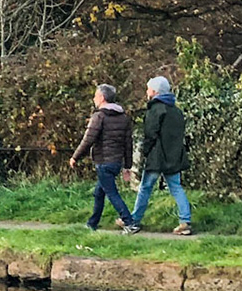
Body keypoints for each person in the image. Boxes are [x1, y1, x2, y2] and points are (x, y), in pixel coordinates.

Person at [67, 83, 136, 232]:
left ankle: (129, 222)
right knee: (99, 192)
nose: (94, 99)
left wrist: (75, 157)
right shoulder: (124, 118)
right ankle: (92, 223)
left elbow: (88, 140)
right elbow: (128, 144)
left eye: (95, 96)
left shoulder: (99, 117)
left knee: (112, 193)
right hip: (116, 162)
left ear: (102, 97)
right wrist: (127, 166)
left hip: (103, 161)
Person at [131, 75, 192, 236]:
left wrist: (145, 152)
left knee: (145, 188)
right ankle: (185, 221)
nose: (147, 92)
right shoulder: (177, 112)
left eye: (148, 89)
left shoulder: (155, 110)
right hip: (174, 156)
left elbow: (150, 134)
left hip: (157, 157)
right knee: (176, 188)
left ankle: (134, 220)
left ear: (155, 91)